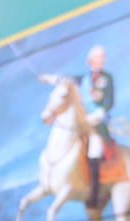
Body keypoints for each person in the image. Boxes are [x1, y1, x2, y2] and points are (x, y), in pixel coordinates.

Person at [42, 45, 114, 208]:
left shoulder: (108, 78)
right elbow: (65, 80)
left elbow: (110, 101)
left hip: (96, 124)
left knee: (94, 150)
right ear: (90, 60)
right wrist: (49, 78)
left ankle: (94, 195)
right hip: (81, 122)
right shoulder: (84, 79)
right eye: (97, 57)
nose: (100, 60)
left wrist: (100, 113)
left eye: (102, 57)